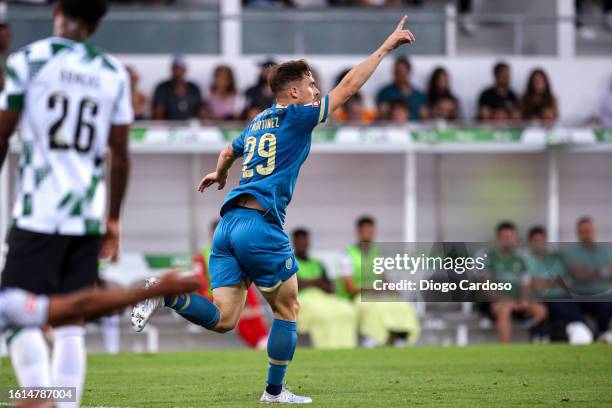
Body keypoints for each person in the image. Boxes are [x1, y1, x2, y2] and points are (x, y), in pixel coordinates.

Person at [131, 16, 415, 404]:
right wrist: (384, 48)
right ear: (295, 92)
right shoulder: (297, 116)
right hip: (260, 227)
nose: (317, 90)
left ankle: (167, 295)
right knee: (288, 308)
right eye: (312, 85)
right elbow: (348, 88)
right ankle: (274, 392)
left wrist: (219, 174)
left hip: (228, 227)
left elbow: (228, 150)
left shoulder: (258, 121)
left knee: (224, 319)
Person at [0, 0, 132, 405]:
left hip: (39, 211)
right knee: (72, 320)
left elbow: (2, 134)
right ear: (94, 26)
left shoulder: (29, 60)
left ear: (58, 10)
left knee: (13, 314)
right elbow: (121, 155)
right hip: (88, 215)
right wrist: (112, 219)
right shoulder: (113, 73)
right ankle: (66, 402)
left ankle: (43, 397)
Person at [0, 271, 199, 405]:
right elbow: (77, 306)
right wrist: (154, 291)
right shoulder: (8, 303)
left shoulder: (8, 303)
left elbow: (75, 306)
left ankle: (45, 398)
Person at [338, 216, 420, 348]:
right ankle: (373, 338)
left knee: (402, 305)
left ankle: (400, 337)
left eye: (370, 231)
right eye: (364, 231)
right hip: (357, 297)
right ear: (358, 233)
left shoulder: (376, 252)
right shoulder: (347, 254)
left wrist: (391, 288)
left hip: (375, 295)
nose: (368, 235)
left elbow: (382, 278)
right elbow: (349, 287)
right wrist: (371, 289)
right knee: (375, 308)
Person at [482, 222, 547, 343]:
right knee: (504, 309)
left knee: (540, 310)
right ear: (498, 239)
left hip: (516, 302)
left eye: (511, 237)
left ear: (515, 238)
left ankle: (531, 336)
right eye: (504, 237)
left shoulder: (521, 259)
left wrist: (524, 299)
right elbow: (487, 287)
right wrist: (505, 300)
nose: (508, 240)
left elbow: (525, 284)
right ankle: (505, 349)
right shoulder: (489, 258)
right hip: (495, 302)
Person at [292, 228, 358, 349]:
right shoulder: (290, 262)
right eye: (299, 241)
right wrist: (316, 281)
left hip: (323, 298)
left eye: (304, 241)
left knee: (346, 310)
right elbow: (295, 285)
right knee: (323, 314)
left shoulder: (318, 263)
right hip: (304, 299)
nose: (302, 244)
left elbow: (329, 287)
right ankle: (328, 348)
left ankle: (347, 348)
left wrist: (312, 282)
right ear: (294, 243)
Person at [559, 217, 612, 340]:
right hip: (579, 295)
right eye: (583, 231)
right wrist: (603, 271)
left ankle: (602, 334)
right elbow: (580, 275)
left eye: (589, 230)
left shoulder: (606, 250)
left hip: (604, 295)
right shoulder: (571, 251)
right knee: (560, 303)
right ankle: (587, 333)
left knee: (605, 304)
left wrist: (590, 272)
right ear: (578, 233)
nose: (586, 233)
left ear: (594, 231)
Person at [376, 56, 426, 121]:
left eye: (401, 72)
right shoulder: (385, 93)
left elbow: (425, 118)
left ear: (408, 72)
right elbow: (380, 116)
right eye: (396, 72)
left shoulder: (418, 95)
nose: (398, 75)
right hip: (391, 129)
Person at [152, 55, 203, 120]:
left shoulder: (193, 88)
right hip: (168, 127)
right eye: (175, 68)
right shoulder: (162, 88)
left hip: (190, 127)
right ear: (171, 70)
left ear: (185, 70)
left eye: (181, 69)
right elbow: (158, 112)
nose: (178, 72)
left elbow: (199, 110)